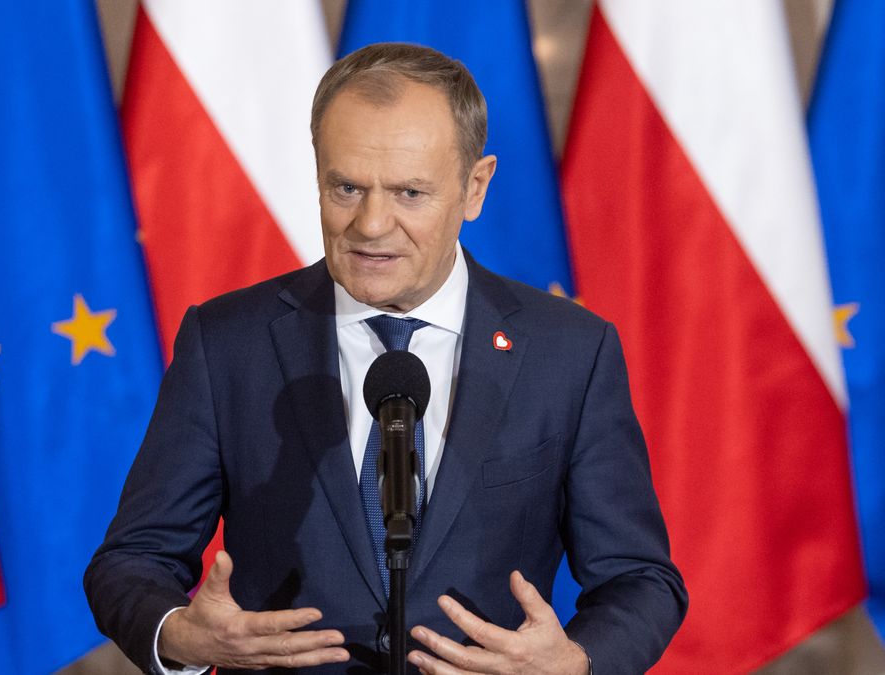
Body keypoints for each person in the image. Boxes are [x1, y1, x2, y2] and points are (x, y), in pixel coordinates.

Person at [85, 43, 687, 674]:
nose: (371, 224)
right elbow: (131, 561)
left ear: (474, 188)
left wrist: (578, 664)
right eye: (346, 187)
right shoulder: (228, 342)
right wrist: (182, 635)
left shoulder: (568, 352)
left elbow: (641, 579)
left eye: (409, 192)